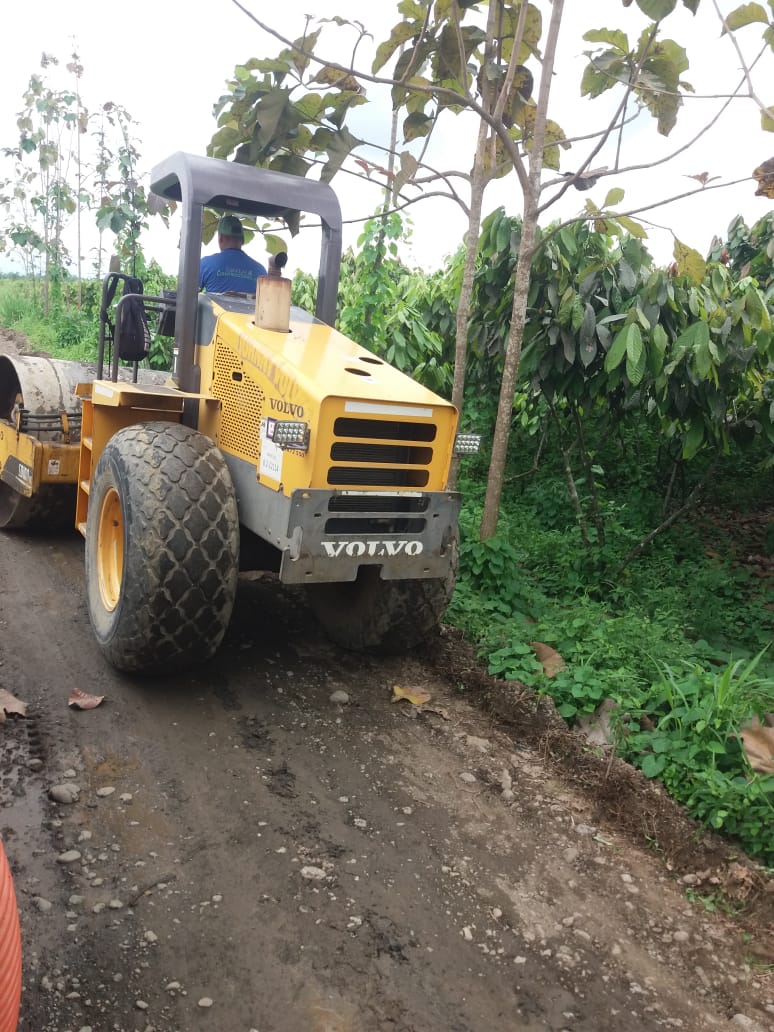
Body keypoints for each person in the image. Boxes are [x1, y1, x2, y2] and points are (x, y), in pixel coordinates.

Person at [199, 214, 267, 294]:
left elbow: (189, 292)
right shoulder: (260, 271)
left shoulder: (205, 264)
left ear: (221, 239)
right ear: (243, 240)